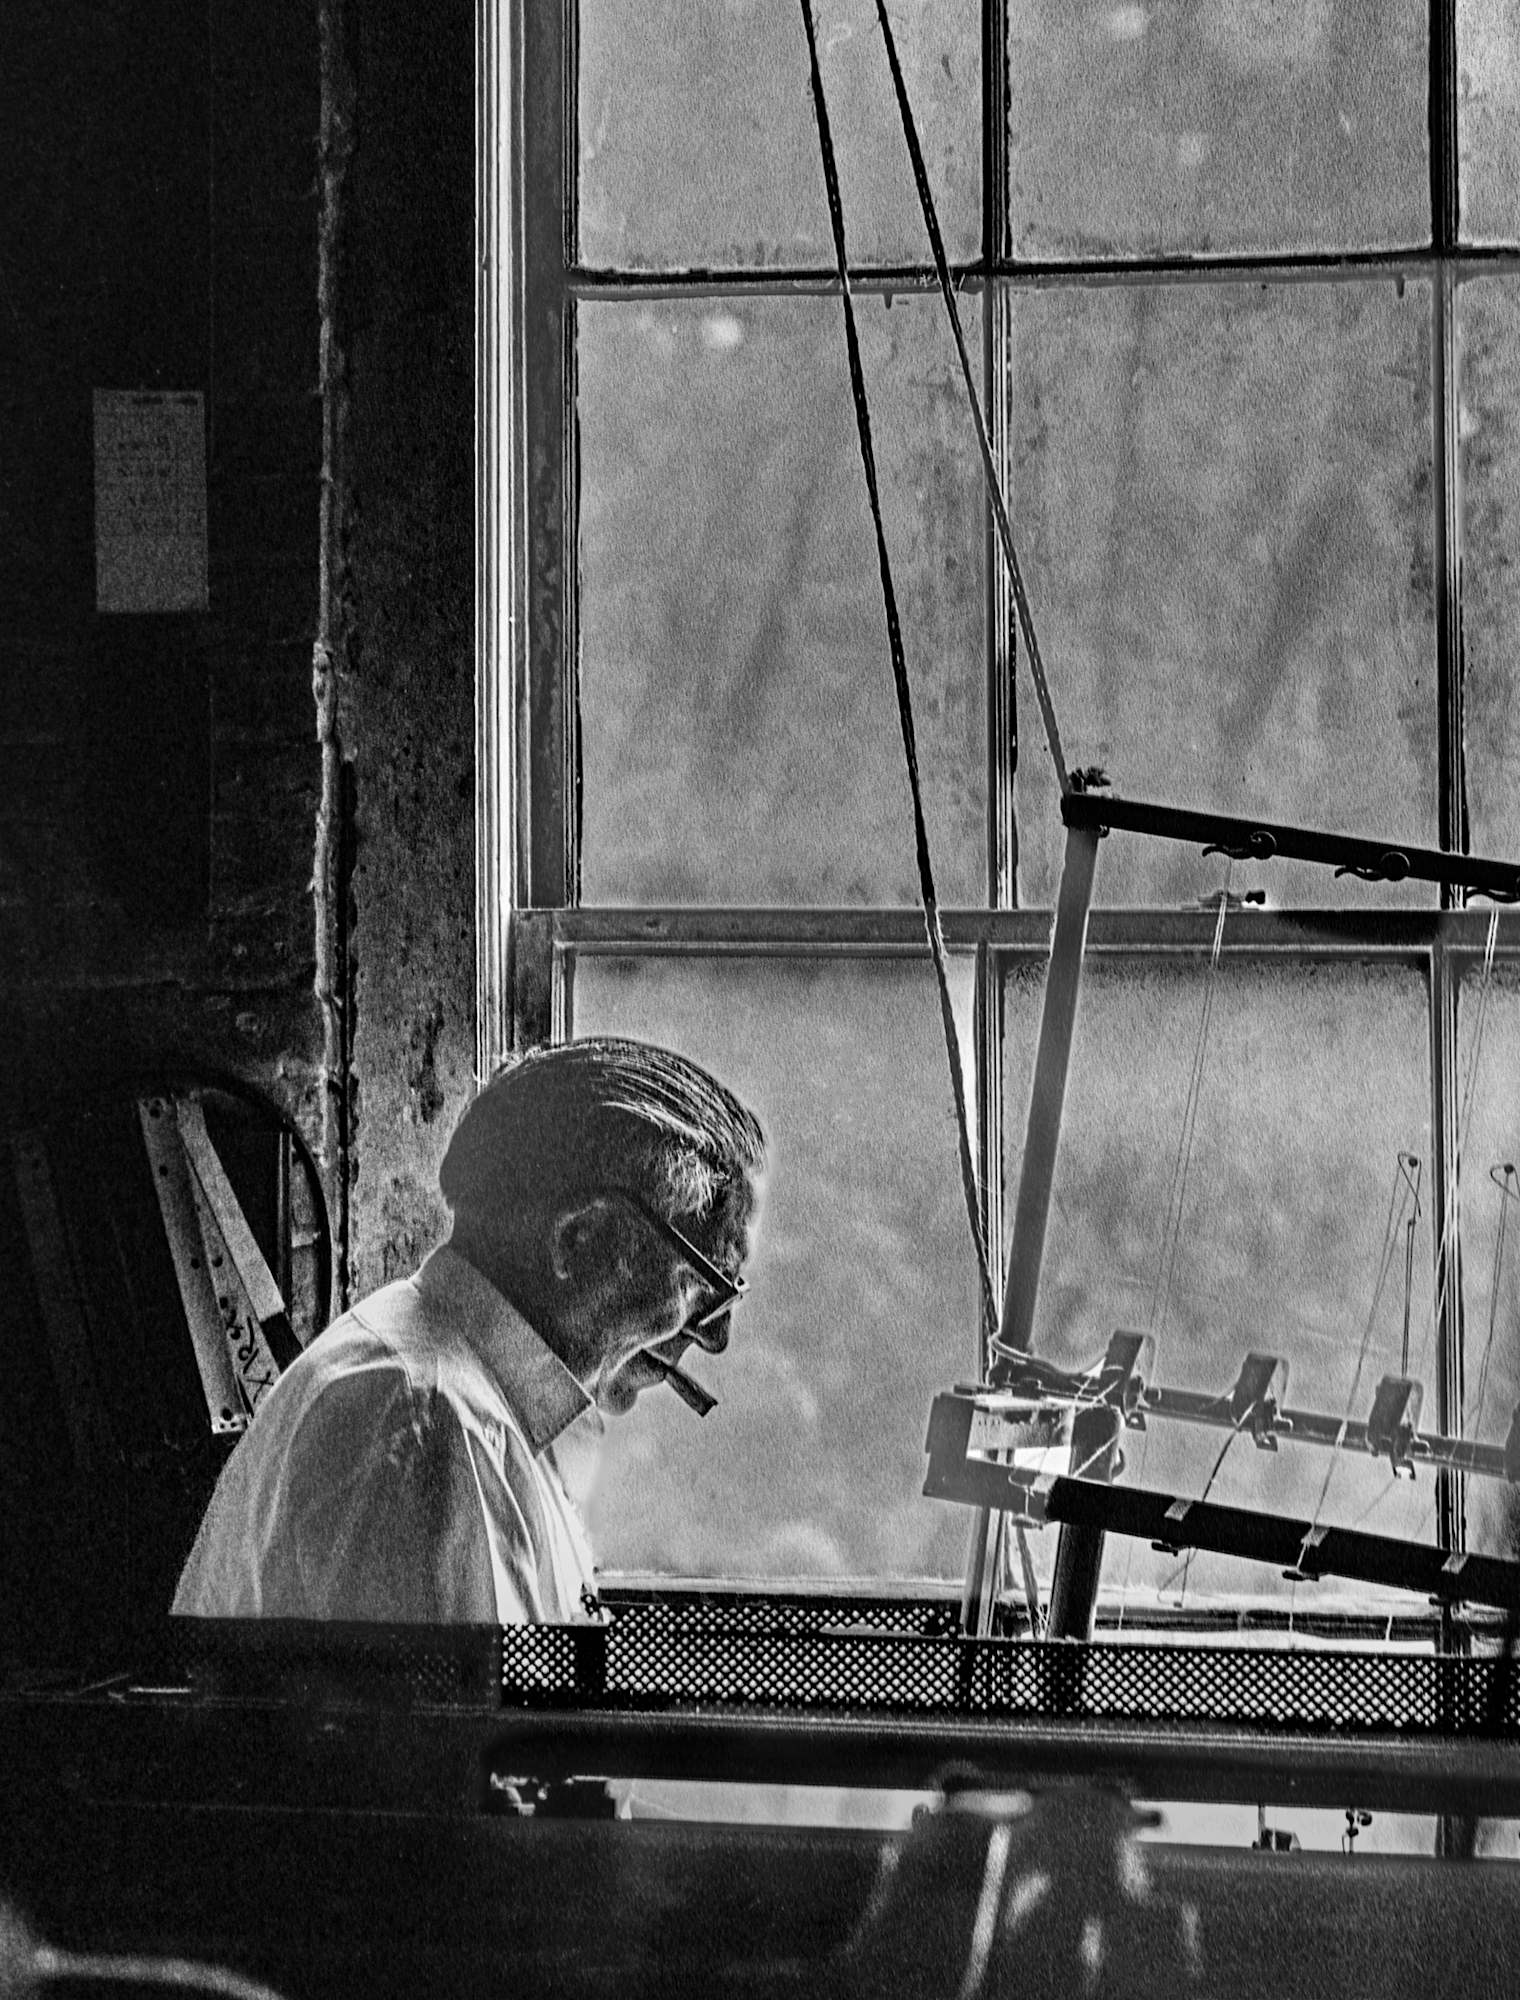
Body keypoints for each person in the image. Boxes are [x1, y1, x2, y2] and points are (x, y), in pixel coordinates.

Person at [172, 1037, 766, 1623]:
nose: (715, 1338)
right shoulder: (428, 1427)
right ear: (579, 1239)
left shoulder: (465, 1403)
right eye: (702, 1284)